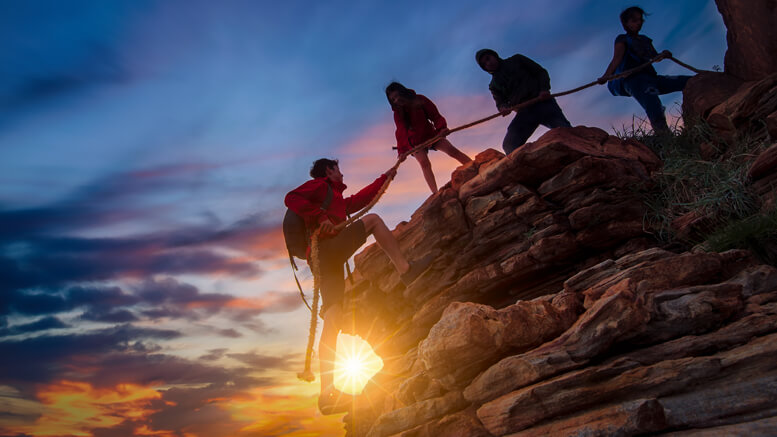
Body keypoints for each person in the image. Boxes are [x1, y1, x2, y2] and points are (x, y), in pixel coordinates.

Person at [284, 158, 435, 415]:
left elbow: (360, 200)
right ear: (329, 171)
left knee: (333, 320)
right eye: (338, 169)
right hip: (328, 249)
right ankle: (406, 270)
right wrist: (321, 217)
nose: (342, 173)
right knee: (374, 220)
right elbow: (291, 198)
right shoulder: (320, 187)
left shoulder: (336, 198)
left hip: (322, 259)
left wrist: (385, 177)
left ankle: (327, 394)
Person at [598, 6, 691, 134]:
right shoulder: (622, 39)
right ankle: (665, 139)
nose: (639, 23)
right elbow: (616, 59)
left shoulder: (645, 40)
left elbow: (654, 57)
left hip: (651, 78)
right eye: (634, 20)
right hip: (634, 80)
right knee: (654, 106)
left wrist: (663, 54)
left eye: (640, 20)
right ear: (626, 23)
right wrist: (606, 76)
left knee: (687, 81)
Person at [475, 49, 572, 155]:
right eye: (484, 64)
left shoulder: (517, 60)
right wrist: (503, 108)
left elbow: (540, 72)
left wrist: (544, 89)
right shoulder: (494, 85)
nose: (488, 63)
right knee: (509, 144)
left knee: (567, 132)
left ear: (494, 55)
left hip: (543, 103)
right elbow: (500, 102)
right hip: (525, 113)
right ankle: (530, 168)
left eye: (488, 58)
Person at [385, 82, 472, 194]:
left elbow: (435, 115)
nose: (396, 100)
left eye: (397, 96)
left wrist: (442, 128)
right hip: (415, 142)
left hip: (430, 135)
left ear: (403, 92)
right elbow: (401, 132)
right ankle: (435, 193)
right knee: (424, 163)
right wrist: (402, 151)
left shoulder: (419, 100)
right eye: (393, 99)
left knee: (452, 150)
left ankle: (473, 165)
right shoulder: (398, 113)